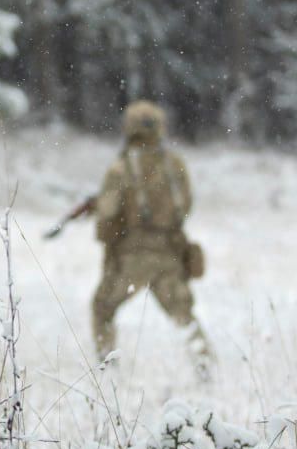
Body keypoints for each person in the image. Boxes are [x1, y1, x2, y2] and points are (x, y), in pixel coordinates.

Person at [90, 100, 210, 360]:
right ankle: (205, 366)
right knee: (183, 315)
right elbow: (185, 205)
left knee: (102, 308)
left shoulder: (122, 167)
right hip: (170, 253)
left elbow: (108, 210)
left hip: (131, 257)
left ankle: (106, 368)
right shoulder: (174, 164)